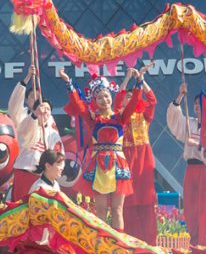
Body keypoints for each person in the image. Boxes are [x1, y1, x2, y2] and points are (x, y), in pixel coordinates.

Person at [61, 66, 148, 232]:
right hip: (98, 167)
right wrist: (67, 82)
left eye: (106, 96)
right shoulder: (92, 118)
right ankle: (102, 249)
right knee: (101, 210)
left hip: (118, 166)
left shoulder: (121, 117)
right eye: (99, 97)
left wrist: (140, 80)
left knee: (117, 210)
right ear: (95, 101)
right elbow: (78, 105)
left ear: (111, 97)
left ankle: (117, 249)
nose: (104, 100)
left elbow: (135, 101)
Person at [166, 82, 206, 246]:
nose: (197, 106)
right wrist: (180, 95)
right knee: (191, 207)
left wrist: (197, 145)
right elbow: (174, 119)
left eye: (202, 104)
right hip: (191, 170)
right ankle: (195, 241)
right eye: (196, 103)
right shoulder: (189, 123)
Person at [11, 149, 82, 254]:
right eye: (59, 165)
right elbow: (37, 221)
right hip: (40, 239)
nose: (62, 168)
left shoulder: (54, 184)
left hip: (53, 234)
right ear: (48, 166)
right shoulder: (39, 188)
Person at [9, 64, 62, 200]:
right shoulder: (22, 117)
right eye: (33, 97)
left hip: (43, 175)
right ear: (26, 100)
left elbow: (57, 149)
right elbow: (14, 105)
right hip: (25, 171)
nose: (38, 101)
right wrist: (26, 79)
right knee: (21, 209)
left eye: (40, 98)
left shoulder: (50, 125)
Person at [120, 68, 159, 245]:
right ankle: (128, 241)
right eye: (127, 96)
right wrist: (128, 79)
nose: (130, 98)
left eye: (132, 95)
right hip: (126, 157)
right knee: (128, 200)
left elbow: (152, 100)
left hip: (143, 157)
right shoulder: (120, 116)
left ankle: (149, 243)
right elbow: (116, 100)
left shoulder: (145, 115)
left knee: (146, 198)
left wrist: (141, 80)